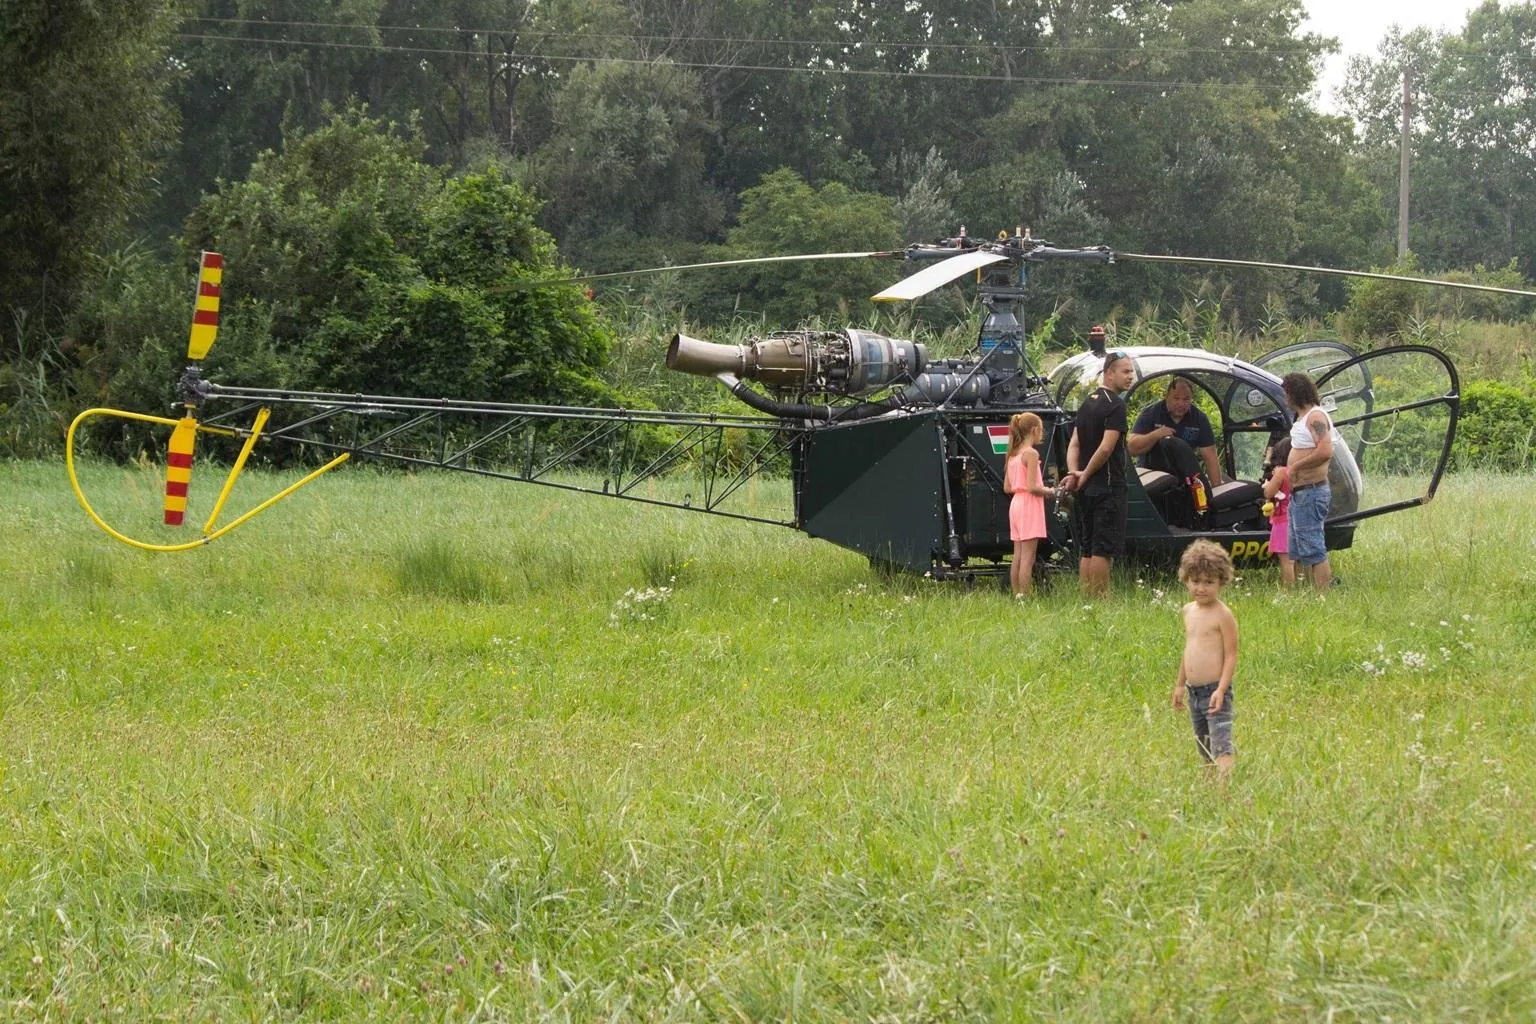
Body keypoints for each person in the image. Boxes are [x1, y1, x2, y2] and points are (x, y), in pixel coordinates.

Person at [1063, 347, 1134, 597]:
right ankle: (1100, 600)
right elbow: (1106, 449)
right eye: (1125, 371)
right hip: (1107, 486)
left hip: (1085, 489)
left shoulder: (1087, 403)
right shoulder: (1115, 406)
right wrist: (1085, 474)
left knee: (1087, 547)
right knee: (1102, 549)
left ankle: (1086, 598)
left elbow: (1074, 443)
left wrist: (1075, 473)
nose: (1131, 376)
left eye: (1132, 371)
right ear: (1109, 373)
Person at [1171, 539, 1238, 776]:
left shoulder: (1223, 615)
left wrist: (1221, 689)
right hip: (1194, 691)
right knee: (1204, 744)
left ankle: (1225, 789)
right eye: (1195, 581)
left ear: (1221, 581)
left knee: (1221, 743)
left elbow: (1231, 655)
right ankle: (1210, 784)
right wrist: (1180, 684)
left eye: (1209, 582)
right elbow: (1188, 649)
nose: (1201, 588)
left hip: (1214, 691)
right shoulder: (1188, 611)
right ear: (1186, 579)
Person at [1282, 372, 1334, 592]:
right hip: (1300, 493)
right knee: (1298, 547)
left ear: (1294, 393)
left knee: (1312, 545)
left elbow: (1325, 450)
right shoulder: (1303, 418)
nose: (1285, 398)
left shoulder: (1316, 417)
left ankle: (1323, 593)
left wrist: (1295, 467)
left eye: (1286, 393)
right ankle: (1305, 591)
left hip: (1311, 492)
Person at [1128, 377, 1224, 485]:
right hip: (1151, 476)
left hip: (1184, 477)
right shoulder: (1150, 414)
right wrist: (1155, 435)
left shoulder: (1199, 419)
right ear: (1166, 397)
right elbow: (1131, 448)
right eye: (1176, 398)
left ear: (1191, 399)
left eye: (1185, 399)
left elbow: (1210, 457)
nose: (1180, 403)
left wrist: (1217, 486)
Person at [1002, 412, 1057, 597]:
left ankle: (1017, 594)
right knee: (1028, 557)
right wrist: (1050, 491)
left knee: (1017, 555)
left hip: (1016, 504)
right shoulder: (1031, 454)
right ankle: (1026, 595)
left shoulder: (1012, 455)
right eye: (1041, 430)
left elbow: (1007, 487)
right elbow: (1033, 487)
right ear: (1034, 430)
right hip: (1029, 505)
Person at [1261, 437, 1295, 587]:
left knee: (1285, 558)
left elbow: (1268, 493)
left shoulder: (1281, 472)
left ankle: (1288, 588)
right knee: (1298, 557)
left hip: (1282, 520)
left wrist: (1269, 481)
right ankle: (1303, 584)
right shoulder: (1298, 471)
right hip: (1296, 518)